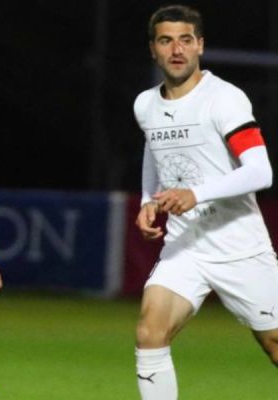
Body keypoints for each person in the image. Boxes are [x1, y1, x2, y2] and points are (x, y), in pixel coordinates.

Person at [133, 5, 278, 399]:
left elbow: (260, 171)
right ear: (153, 49)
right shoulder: (145, 104)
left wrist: (195, 194)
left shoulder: (224, 99)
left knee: (274, 345)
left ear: (200, 45)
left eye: (185, 40)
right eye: (166, 41)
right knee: (150, 332)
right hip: (186, 246)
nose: (176, 49)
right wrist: (148, 199)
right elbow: (154, 148)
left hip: (239, 247)